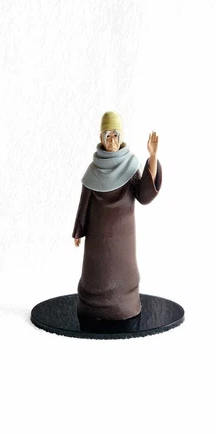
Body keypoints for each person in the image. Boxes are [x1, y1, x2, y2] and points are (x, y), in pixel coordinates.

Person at [72, 111, 162, 320]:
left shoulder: (130, 166)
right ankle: (93, 306)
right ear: (101, 138)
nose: (112, 140)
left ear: (121, 137)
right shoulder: (93, 170)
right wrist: (78, 231)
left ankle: (124, 304)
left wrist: (153, 157)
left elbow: (144, 195)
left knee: (122, 274)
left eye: (115, 135)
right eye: (108, 135)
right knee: (96, 274)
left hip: (123, 237)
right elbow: (84, 203)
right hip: (96, 238)